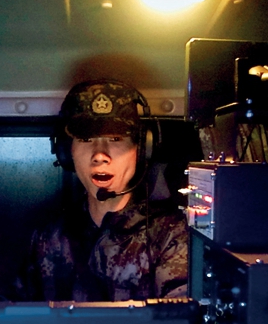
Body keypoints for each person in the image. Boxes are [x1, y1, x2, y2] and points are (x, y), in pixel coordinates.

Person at [13, 79, 188, 302]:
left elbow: (180, 319)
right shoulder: (47, 238)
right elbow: (20, 316)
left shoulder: (169, 236)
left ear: (142, 149)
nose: (99, 155)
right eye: (86, 139)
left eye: (115, 139)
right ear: (67, 152)